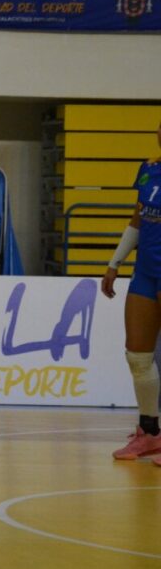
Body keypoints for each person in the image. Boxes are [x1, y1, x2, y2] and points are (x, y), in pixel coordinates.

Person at [101, 119, 161, 467]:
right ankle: (150, 432)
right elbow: (137, 220)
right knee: (138, 357)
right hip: (145, 274)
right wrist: (114, 263)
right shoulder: (148, 169)